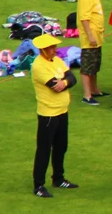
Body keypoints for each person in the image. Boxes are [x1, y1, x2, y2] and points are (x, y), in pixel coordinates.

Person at [28, 33, 79, 197]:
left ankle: (58, 178)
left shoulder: (56, 61)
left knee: (61, 146)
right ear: (43, 50)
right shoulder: (39, 66)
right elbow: (54, 86)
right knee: (44, 149)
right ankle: (38, 185)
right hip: (48, 113)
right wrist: (65, 82)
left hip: (62, 110)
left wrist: (64, 81)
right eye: (51, 47)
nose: (55, 50)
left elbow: (72, 77)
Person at [76, 0, 108, 106]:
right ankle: (87, 95)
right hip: (91, 36)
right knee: (87, 66)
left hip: (97, 34)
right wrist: (90, 36)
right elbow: (84, 18)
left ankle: (94, 90)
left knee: (95, 64)